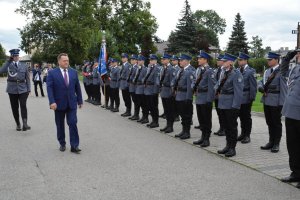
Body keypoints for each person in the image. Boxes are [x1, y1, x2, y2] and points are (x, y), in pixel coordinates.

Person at [46, 53, 83, 153]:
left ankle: (74, 146)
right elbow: (49, 89)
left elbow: (77, 88)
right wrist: (52, 102)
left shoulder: (73, 72)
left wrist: (80, 100)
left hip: (71, 103)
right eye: (64, 60)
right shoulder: (52, 73)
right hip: (58, 104)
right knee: (60, 125)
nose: (66, 62)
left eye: (67, 60)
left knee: (73, 123)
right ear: (59, 61)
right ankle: (62, 143)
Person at [258, 52, 287, 153]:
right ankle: (271, 141)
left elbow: (284, 89)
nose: (268, 61)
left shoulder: (281, 71)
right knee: (269, 122)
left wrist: (281, 104)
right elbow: (261, 82)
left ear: (276, 60)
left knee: (276, 123)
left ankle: (276, 143)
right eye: (268, 60)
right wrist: (260, 87)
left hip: (276, 101)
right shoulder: (267, 71)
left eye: (270, 60)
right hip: (267, 100)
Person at [216, 53, 243, 157]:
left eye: (225, 61)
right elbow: (219, 85)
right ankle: (227, 146)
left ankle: (232, 148)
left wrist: (235, 106)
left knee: (232, 127)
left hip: (231, 104)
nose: (223, 62)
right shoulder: (223, 72)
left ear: (231, 62)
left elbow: (238, 92)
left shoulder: (236, 74)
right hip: (223, 103)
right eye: (223, 61)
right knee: (226, 126)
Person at [280, 49, 300, 188]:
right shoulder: (296, 68)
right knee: (292, 145)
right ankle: (295, 172)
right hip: (290, 112)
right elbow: (283, 73)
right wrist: (287, 59)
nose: (298, 55)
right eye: (298, 53)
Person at [0, 49, 31, 131]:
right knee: (14, 107)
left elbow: (27, 78)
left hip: (23, 89)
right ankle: (18, 123)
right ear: (11, 56)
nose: (16, 57)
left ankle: (25, 123)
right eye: (14, 56)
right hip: (12, 89)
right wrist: (8, 61)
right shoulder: (8, 65)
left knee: (23, 105)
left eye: (17, 55)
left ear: (19, 56)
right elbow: (1, 71)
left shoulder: (24, 65)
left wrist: (29, 89)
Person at [192, 51, 216, 147]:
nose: (198, 60)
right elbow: (194, 81)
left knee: (206, 119)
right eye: (198, 58)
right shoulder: (199, 70)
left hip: (206, 98)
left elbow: (212, 86)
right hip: (199, 98)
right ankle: (202, 137)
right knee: (201, 119)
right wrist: (193, 87)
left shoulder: (209, 71)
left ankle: (207, 139)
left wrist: (209, 100)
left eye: (200, 58)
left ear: (205, 60)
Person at [173, 54, 195, 140]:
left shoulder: (190, 71)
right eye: (179, 60)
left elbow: (190, 87)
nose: (180, 62)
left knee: (186, 115)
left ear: (186, 61)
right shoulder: (181, 70)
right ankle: (183, 131)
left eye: (181, 60)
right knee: (182, 115)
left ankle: (187, 132)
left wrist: (188, 98)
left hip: (185, 96)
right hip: (179, 95)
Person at [237, 52, 257, 144]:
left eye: (241, 60)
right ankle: (242, 133)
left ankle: (247, 135)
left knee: (246, 117)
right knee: (241, 116)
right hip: (239, 97)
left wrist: (251, 98)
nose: (239, 61)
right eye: (239, 60)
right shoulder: (237, 70)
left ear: (245, 60)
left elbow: (253, 86)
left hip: (246, 97)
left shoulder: (250, 71)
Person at [159, 53, 176, 133]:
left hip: (169, 92)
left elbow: (173, 82)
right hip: (163, 91)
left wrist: (172, 93)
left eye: (164, 59)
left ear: (168, 60)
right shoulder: (163, 68)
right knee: (166, 110)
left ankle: (170, 126)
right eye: (162, 59)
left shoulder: (171, 69)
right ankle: (167, 125)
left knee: (170, 110)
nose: (162, 60)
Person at [144, 54, 160, 128]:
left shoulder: (157, 68)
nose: (150, 61)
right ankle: (153, 121)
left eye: (152, 60)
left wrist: (155, 91)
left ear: (155, 60)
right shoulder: (150, 67)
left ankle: (156, 122)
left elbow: (156, 81)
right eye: (150, 60)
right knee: (150, 106)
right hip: (148, 89)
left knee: (154, 107)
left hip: (153, 90)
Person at [213, 54, 226, 136]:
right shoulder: (217, 70)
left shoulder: (224, 70)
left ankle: (224, 129)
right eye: (217, 60)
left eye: (219, 60)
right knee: (219, 112)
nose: (217, 61)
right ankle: (221, 128)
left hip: (222, 95)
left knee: (223, 112)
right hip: (216, 94)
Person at [135, 55, 149, 124]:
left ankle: (145, 117)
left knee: (144, 104)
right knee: (140, 103)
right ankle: (143, 117)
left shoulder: (145, 69)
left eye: (139, 60)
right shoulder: (138, 68)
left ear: (143, 61)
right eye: (138, 60)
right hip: (138, 88)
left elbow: (145, 79)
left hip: (142, 88)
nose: (138, 61)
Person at [128, 55, 139, 120]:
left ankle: (136, 114)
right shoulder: (132, 67)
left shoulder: (136, 67)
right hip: (131, 86)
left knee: (136, 101)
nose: (131, 61)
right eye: (131, 59)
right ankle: (135, 114)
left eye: (133, 59)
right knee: (134, 100)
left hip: (135, 87)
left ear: (136, 60)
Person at [170, 55, 180, 122]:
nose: (172, 61)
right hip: (171, 88)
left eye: (174, 60)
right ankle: (174, 115)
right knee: (172, 103)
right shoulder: (172, 68)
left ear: (177, 61)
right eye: (172, 60)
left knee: (176, 103)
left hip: (176, 88)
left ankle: (177, 116)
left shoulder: (178, 69)